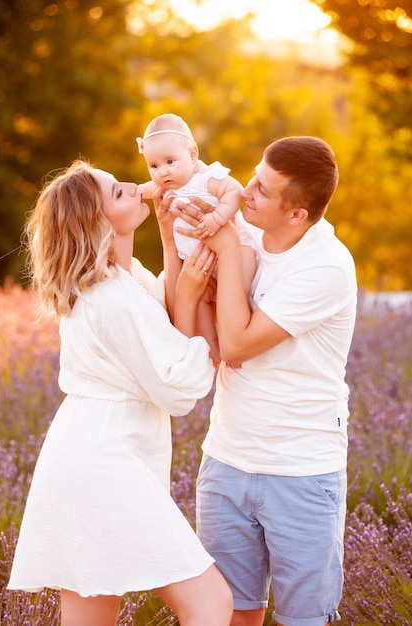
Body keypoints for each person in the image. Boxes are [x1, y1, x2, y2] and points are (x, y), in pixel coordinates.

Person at [7, 159, 233, 626]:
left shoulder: (121, 281)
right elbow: (178, 391)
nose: (132, 185)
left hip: (87, 450)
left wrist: (170, 238)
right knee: (211, 602)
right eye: (115, 192)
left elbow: (161, 320)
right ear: (98, 223)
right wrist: (189, 301)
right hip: (104, 461)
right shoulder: (111, 299)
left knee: (92, 610)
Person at [166, 136, 358, 626]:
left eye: (263, 190)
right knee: (230, 612)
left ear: (297, 214)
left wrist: (227, 247)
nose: (245, 190)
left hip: (301, 472)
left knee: (303, 619)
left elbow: (236, 345)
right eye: (253, 176)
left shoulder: (325, 266)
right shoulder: (247, 232)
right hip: (227, 461)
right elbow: (202, 345)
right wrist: (171, 237)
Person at [136, 113, 257, 367]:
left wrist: (219, 216)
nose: (163, 172)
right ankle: (213, 348)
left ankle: (231, 335)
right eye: (154, 166)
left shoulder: (206, 177)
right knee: (200, 297)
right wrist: (133, 193)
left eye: (170, 161)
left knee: (235, 285)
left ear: (192, 154)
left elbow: (234, 191)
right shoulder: (166, 185)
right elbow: (142, 191)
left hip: (232, 253)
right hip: (199, 259)